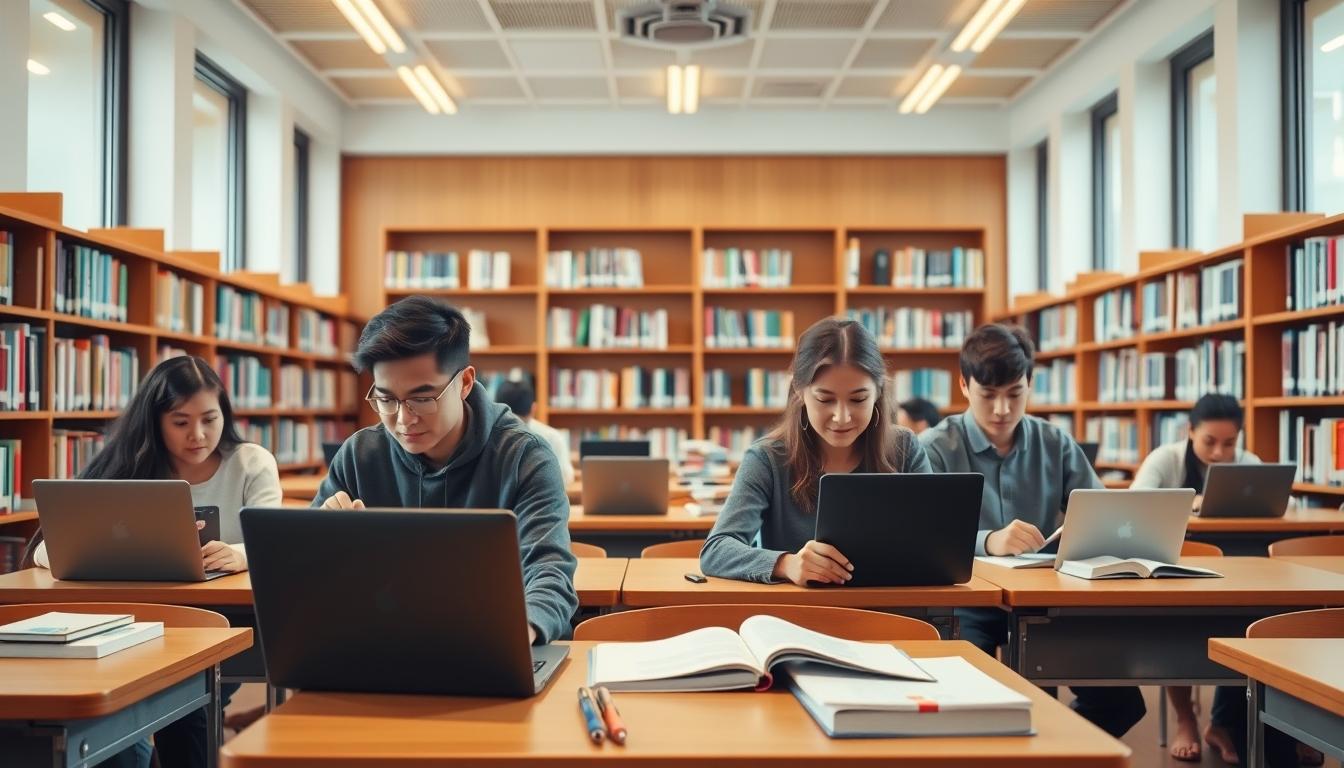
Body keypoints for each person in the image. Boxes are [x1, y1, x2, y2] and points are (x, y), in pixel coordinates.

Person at [28, 354, 281, 768]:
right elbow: (47, 549)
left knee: (187, 704)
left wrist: (239, 554)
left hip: (231, 620)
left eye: (210, 419)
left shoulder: (251, 463)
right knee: (126, 711)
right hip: (136, 624)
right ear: (156, 421)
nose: (198, 435)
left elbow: (272, 539)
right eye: (180, 422)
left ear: (225, 414)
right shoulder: (130, 465)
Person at [919, 323, 1145, 739]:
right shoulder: (935, 447)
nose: (1002, 409)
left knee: (1123, 702)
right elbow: (922, 534)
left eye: (1015, 394)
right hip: (968, 600)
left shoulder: (1054, 442)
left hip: (1047, 599)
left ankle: (1055, 746)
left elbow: (1102, 511)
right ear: (964, 386)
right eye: (988, 395)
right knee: (971, 699)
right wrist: (989, 540)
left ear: (1030, 385)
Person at [313, 296, 577, 645]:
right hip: (385, 642)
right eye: (387, 399)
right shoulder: (360, 455)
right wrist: (327, 543)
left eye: (423, 398)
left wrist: (514, 635)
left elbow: (549, 571)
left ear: (465, 382)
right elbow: (305, 572)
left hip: (495, 641)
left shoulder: (525, 457)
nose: (404, 419)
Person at [699, 317, 930, 585]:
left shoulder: (905, 448)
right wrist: (787, 564)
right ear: (800, 390)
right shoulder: (767, 458)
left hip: (897, 613)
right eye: (825, 399)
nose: (842, 417)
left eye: (858, 399)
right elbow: (716, 550)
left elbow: (937, 543)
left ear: (878, 391)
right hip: (803, 615)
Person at [1133, 394, 1268, 765]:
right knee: (1178, 617)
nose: (1220, 452)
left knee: (1252, 616)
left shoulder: (1249, 464)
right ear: (1190, 432)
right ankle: (1186, 718)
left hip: (1239, 568)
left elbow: (1270, 511)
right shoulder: (1166, 459)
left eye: (1230, 443)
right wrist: (1189, 503)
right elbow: (1135, 505)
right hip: (1177, 565)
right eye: (1209, 441)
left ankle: (1225, 722)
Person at [496, 378, 575, 485]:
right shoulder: (553, 438)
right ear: (533, 409)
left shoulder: (485, 437)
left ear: (496, 408)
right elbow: (566, 481)